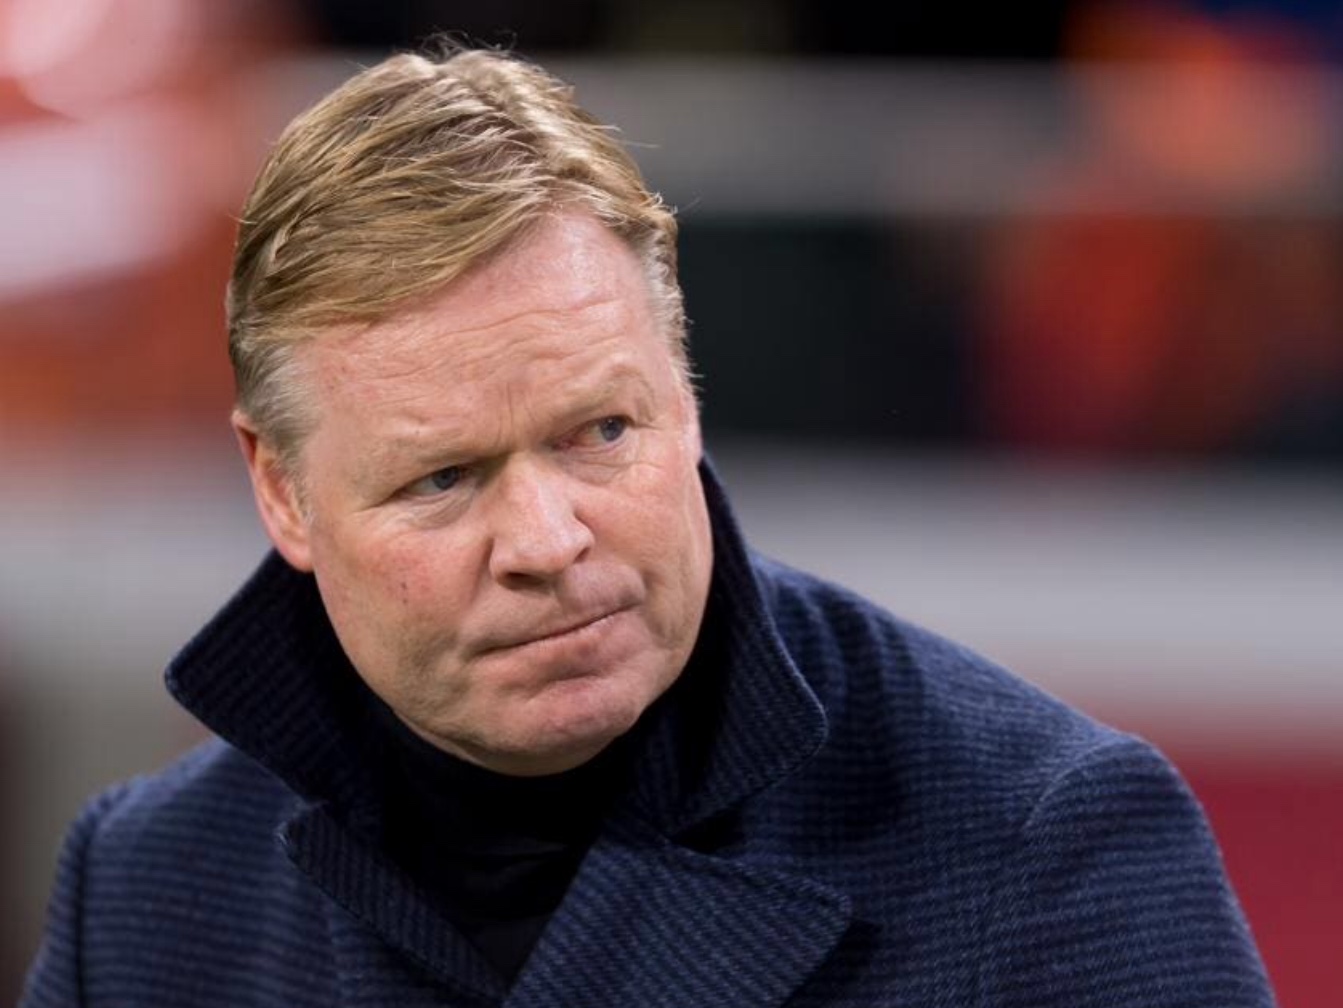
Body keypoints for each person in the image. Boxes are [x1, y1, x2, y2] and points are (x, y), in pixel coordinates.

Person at [21, 45, 1275, 1008]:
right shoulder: (146, 893)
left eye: (600, 432)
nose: (546, 541)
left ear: (685, 393)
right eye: (442, 478)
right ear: (282, 492)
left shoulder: (1049, 850)